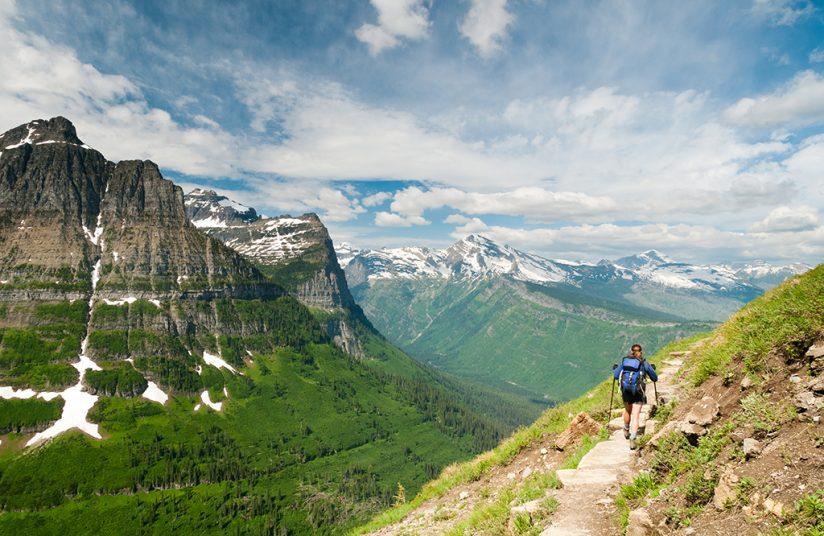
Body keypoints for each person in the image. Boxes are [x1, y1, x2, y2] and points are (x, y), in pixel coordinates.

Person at [613, 343, 657, 450]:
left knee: (627, 410)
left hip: (626, 390)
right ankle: (633, 438)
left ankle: (626, 429)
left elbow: (615, 375)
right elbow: (654, 378)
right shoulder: (644, 363)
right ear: (641, 352)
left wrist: (615, 368)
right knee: (636, 414)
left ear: (631, 351)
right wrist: (652, 369)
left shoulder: (624, 362)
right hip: (638, 392)